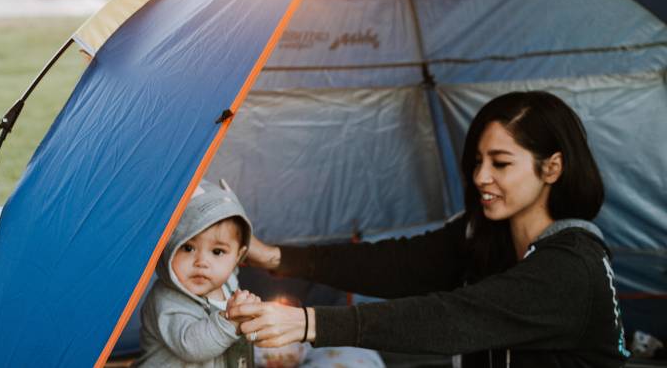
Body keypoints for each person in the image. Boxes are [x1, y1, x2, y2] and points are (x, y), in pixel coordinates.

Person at [228, 91, 631, 368]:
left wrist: (308, 323)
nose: (480, 177)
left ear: (552, 168)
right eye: (477, 162)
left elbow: (453, 318)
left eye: (500, 163)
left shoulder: (572, 267)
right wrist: (275, 257)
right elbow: (396, 264)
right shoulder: (484, 236)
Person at [139, 179, 259, 368]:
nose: (201, 262)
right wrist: (231, 321)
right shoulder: (166, 299)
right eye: (188, 248)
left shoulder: (229, 285)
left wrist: (251, 318)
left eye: (217, 251)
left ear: (238, 256)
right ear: (168, 248)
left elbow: (242, 337)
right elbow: (191, 346)